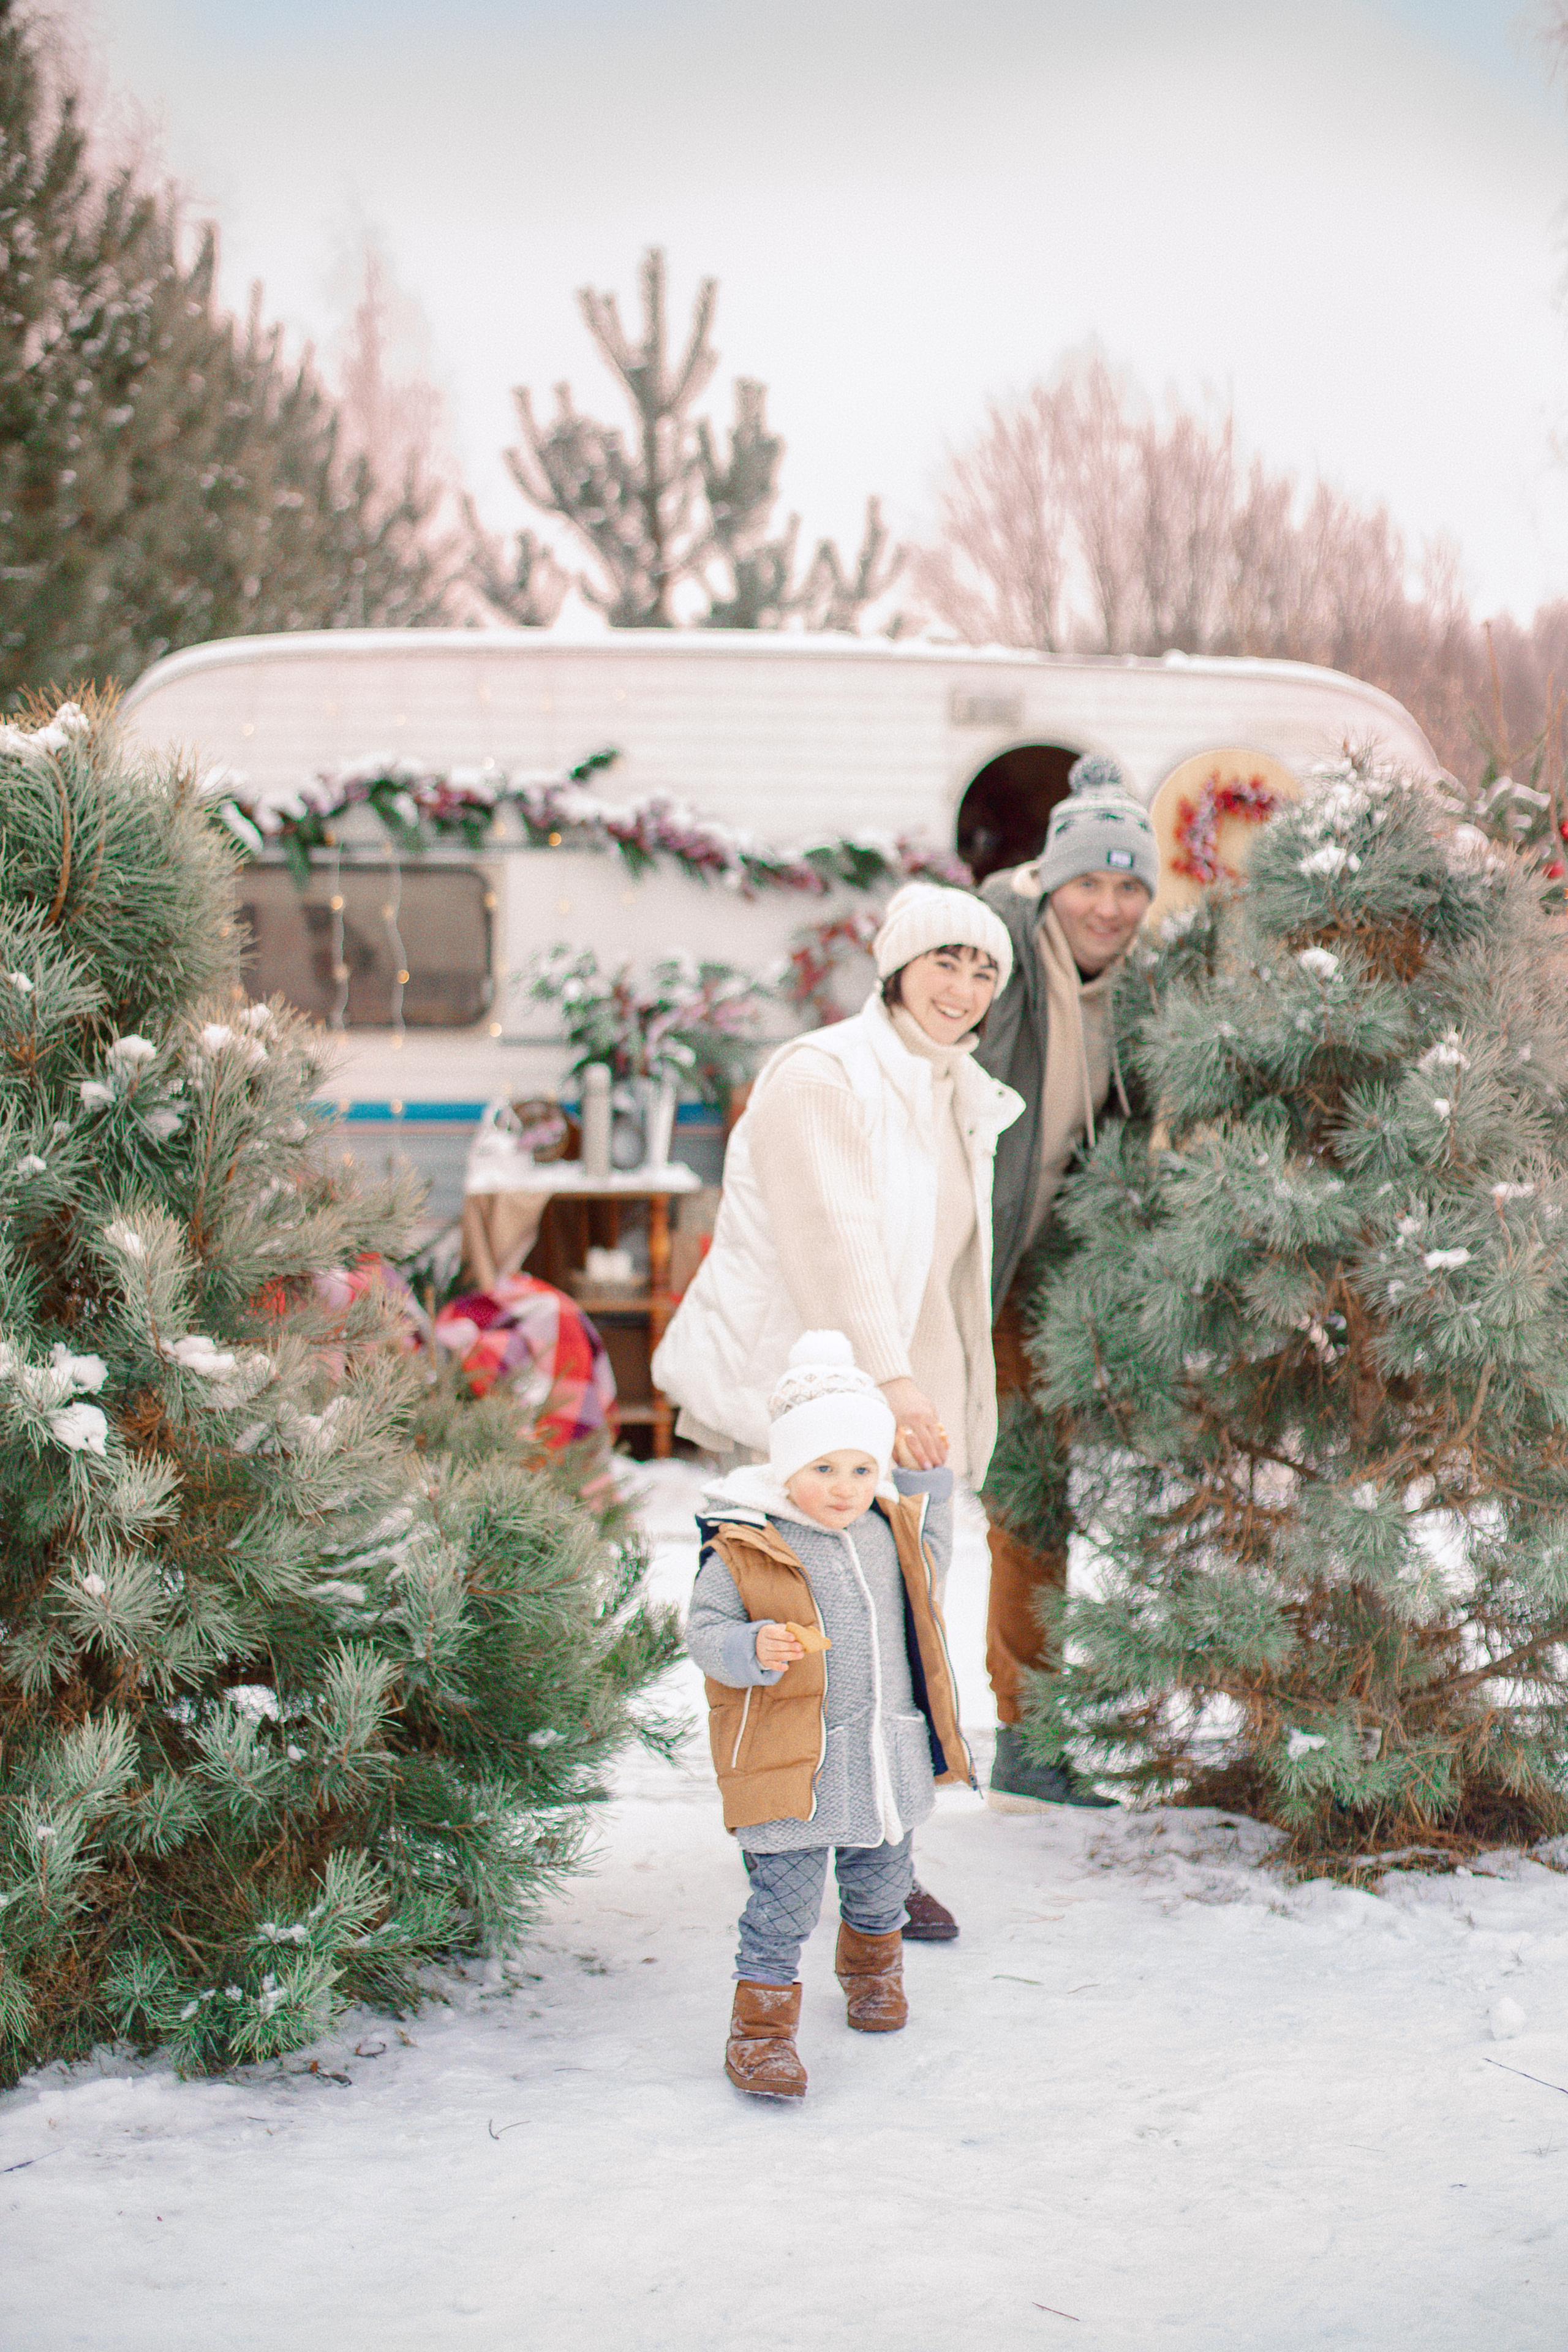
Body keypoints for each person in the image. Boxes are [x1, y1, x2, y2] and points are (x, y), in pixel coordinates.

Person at [653, 880, 1022, 1937]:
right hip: (815, 1411)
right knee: (796, 1650)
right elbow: (834, 1242)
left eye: (983, 969)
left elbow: (948, 1267)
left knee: (898, 1644)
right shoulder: (822, 1074)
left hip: (907, 1414)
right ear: (897, 965)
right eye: (944, 960)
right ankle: (785, 1869)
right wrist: (893, 1382)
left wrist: (938, 1402)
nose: (962, 986)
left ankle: (882, 1863)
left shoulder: (958, 1088)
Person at [685, 1330, 967, 2100]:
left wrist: (929, 1476)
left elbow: (933, 1559)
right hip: (796, 1765)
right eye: (823, 1468)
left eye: (860, 1468)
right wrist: (750, 1645)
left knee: (883, 1882)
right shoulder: (747, 1543)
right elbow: (703, 1632)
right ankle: (761, 2035)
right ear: (787, 1466)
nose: (843, 1487)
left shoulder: (883, 1530)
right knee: (784, 1903)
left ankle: (874, 1978)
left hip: (882, 1757)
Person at [973, 752, 1158, 1809]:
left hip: (1038, 1273)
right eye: (1091, 881)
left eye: (1130, 885)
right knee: (865, 1495)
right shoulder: (997, 955)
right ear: (1053, 882)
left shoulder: (1132, 996)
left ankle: (1028, 1737)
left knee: (1035, 1501)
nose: (1110, 905)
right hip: (951, 1264)